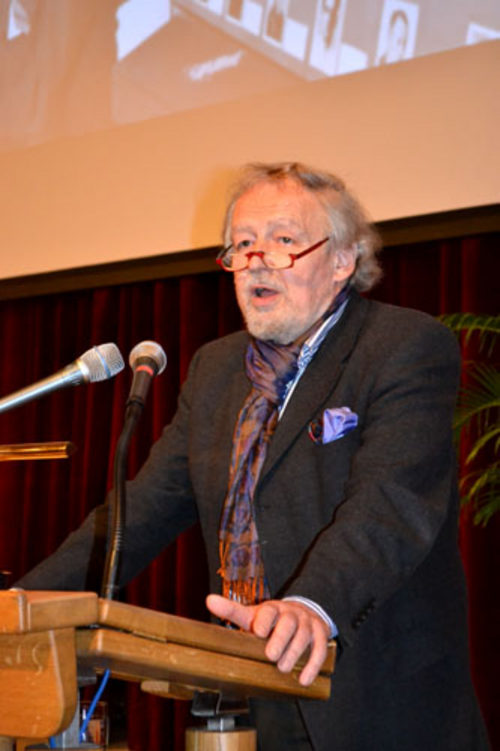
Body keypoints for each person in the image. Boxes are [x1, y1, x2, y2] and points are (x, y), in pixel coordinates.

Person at [17, 162, 489, 750]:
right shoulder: (217, 370)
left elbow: (390, 503)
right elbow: (139, 514)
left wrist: (311, 602)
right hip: (251, 696)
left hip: (380, 699)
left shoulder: (401, 346)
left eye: (284, 241)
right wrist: (22, 607)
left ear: (342, 260)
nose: (256, 259)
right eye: (242, 245)